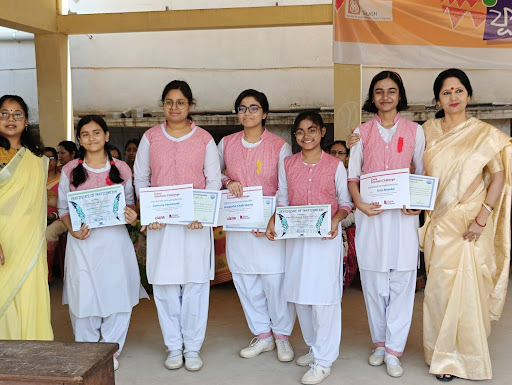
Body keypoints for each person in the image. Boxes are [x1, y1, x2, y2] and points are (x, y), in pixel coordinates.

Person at [419, 69, 511, 381]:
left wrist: (483, 218)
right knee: (440, 291)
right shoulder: (427, 131)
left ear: (468, 95)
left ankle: (465, 354)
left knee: (471, 289)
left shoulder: (484, 133)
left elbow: (498, 176)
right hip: (440, 223)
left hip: (473, 222)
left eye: (459, 91)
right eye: (447, 92)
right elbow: (413, 169)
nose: (454, 97)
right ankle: (441, 355)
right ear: (437, 99)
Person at [134, 80, 221, 372]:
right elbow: (141, 178)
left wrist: (204, 214)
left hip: (194, 225)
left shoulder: (204, 139)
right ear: (163, 105)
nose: (174, 107)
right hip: (161, 225)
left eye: (180, 102)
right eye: (169, 102)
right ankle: (173, 345)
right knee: (165, 285)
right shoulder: (150, 137)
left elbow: (213, 180)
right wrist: (148, 213)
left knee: (195, 284)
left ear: (190, 105)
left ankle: (193, 347)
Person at [347, 71, 425, 378]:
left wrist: (417, 203)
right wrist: (360, 204)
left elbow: (420, 173)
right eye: (379, 91)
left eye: (391, 91)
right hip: (372, 218)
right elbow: (353, 176)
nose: (385, 97)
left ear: (400, 95)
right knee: (374, 285)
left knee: (401, 284)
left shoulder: (415, 131)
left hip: (403, 219)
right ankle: (379, 343)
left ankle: (394, 350)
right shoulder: (362, 132)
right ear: (372, 96)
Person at [267, 111, 352, 385]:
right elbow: (281, 198)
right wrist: (273, 220)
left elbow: (345, 203)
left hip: (325, 240)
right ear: (295, 135)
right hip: (296, 240)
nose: (306, 136)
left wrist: (336, 222)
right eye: (301, 131)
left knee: (324, 298)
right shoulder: (288, 164)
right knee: (300, 295)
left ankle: (324, 360)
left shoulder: (335, 165)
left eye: (312, 130)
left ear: (322, 132)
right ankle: (314, 348)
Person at [58, 115, 148, 371]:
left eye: (97, 132)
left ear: (107, 136)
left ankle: (111, 349)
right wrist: (72, 231)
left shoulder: (121, 168)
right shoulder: (70, 170)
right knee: (83, 293)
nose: (92, 138)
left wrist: (132, 215)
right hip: (83, 241)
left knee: (117, 293)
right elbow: (64, 208)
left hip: (115, 241)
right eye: (85, 134)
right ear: (79, 139)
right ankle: (87, 349)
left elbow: (129, 201)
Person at [217, 89, 296, 362]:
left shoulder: (278, 145)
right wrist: (227, 181)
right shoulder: (226, 143)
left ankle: (282, 336)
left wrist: (274, 218)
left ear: (264, 113)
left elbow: (285, 186)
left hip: (268, 225)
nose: (247, 113)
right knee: (245, 279)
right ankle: (263, 335)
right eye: (241, 108)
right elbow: (212, 173)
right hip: (239, 225)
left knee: (275, 281)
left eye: (253, 108)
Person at [0, 94, 53, 340]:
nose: (11, 118)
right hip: (3, 239)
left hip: (29, 242)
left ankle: (32, 356)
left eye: (17, 113)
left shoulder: (36, 160)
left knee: (29, 293)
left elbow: (41, 201)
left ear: (26, 120)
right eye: (4, 113)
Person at [44, 146, 62, 283]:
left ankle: (47, 276)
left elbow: (64, 204)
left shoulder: (63, 178)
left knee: (48, 233)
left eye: (51, 158)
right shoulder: (35, 178)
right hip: (36, 218)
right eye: (44, 158)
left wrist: (54, 215)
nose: (48, 161)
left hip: (60, 217)